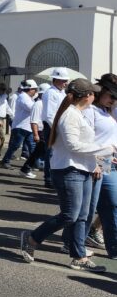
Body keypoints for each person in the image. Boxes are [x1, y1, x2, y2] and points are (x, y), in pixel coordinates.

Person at [19, 79, 114, 271]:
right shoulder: (70, 115)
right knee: (70, 215)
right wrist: (105, 149)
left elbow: (86, 144)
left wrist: (98, 161)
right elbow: (73, 146)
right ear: (87, 96)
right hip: (69, 170)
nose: (95, 96)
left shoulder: (81, 113)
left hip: (85, 168)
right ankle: (32, 238)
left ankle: (79, 257)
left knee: (82, 216)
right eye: (93, 93)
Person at [82, 74, 117, 258]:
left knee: (112, 204)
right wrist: (96, 160)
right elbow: (85, 139)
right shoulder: (90, 110)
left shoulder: (106, 111)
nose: (114, 100)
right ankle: (72, 241)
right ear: (102, 90)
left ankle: (114, 248)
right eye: (112, 95)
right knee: (88, 207)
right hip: (96, 160)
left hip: (108, 160)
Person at [40, 67, 70, 186]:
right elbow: (49, 115)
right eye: (63, 80)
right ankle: (49, 179)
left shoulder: (61, 92)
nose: (65, 83)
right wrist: (58, 128)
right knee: (51, 153)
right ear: (56, 79)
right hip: (52, 126)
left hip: (58, 125)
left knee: (57, 153)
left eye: (66, 80)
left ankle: (54, 178)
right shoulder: (50, 93)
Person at [0, 80, 37, 167]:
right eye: (34, 89)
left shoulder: (29, 98)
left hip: (28, 126)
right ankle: (5, 161)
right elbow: (31, 108)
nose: (35, 92)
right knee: (15, 145)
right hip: (21, 126)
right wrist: (39, 105)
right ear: (30, 89)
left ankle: (35, 163)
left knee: (32, 146)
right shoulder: (23, 97)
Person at [19, 82, 50, 179]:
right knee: (44, 153)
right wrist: (36, 134)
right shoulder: (38, 104)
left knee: (38, 152)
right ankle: (46, 174)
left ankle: (25, 169)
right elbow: (34, 121)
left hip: (44, 130)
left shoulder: (44, 104)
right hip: (40, 131)